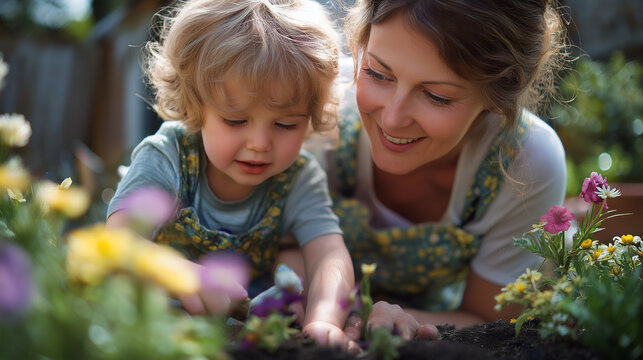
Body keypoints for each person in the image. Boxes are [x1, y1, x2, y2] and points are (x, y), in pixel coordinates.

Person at [281, 0, 569, 340]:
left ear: (502, 87)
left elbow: (495, 319)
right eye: (376, 73)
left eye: (436, 96)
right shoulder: (319, 104)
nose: (392, 118)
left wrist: (395, 319)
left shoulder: (524, 162)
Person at [105, 0, 356, 349]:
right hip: (152, 327)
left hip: (243, 335)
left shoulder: (298, 177)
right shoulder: (168, 156)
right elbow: (117, 244)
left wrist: (325, 318)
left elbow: (328, 252)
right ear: (195, 104)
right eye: (236, 120)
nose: (260, 143)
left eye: (286, 124)